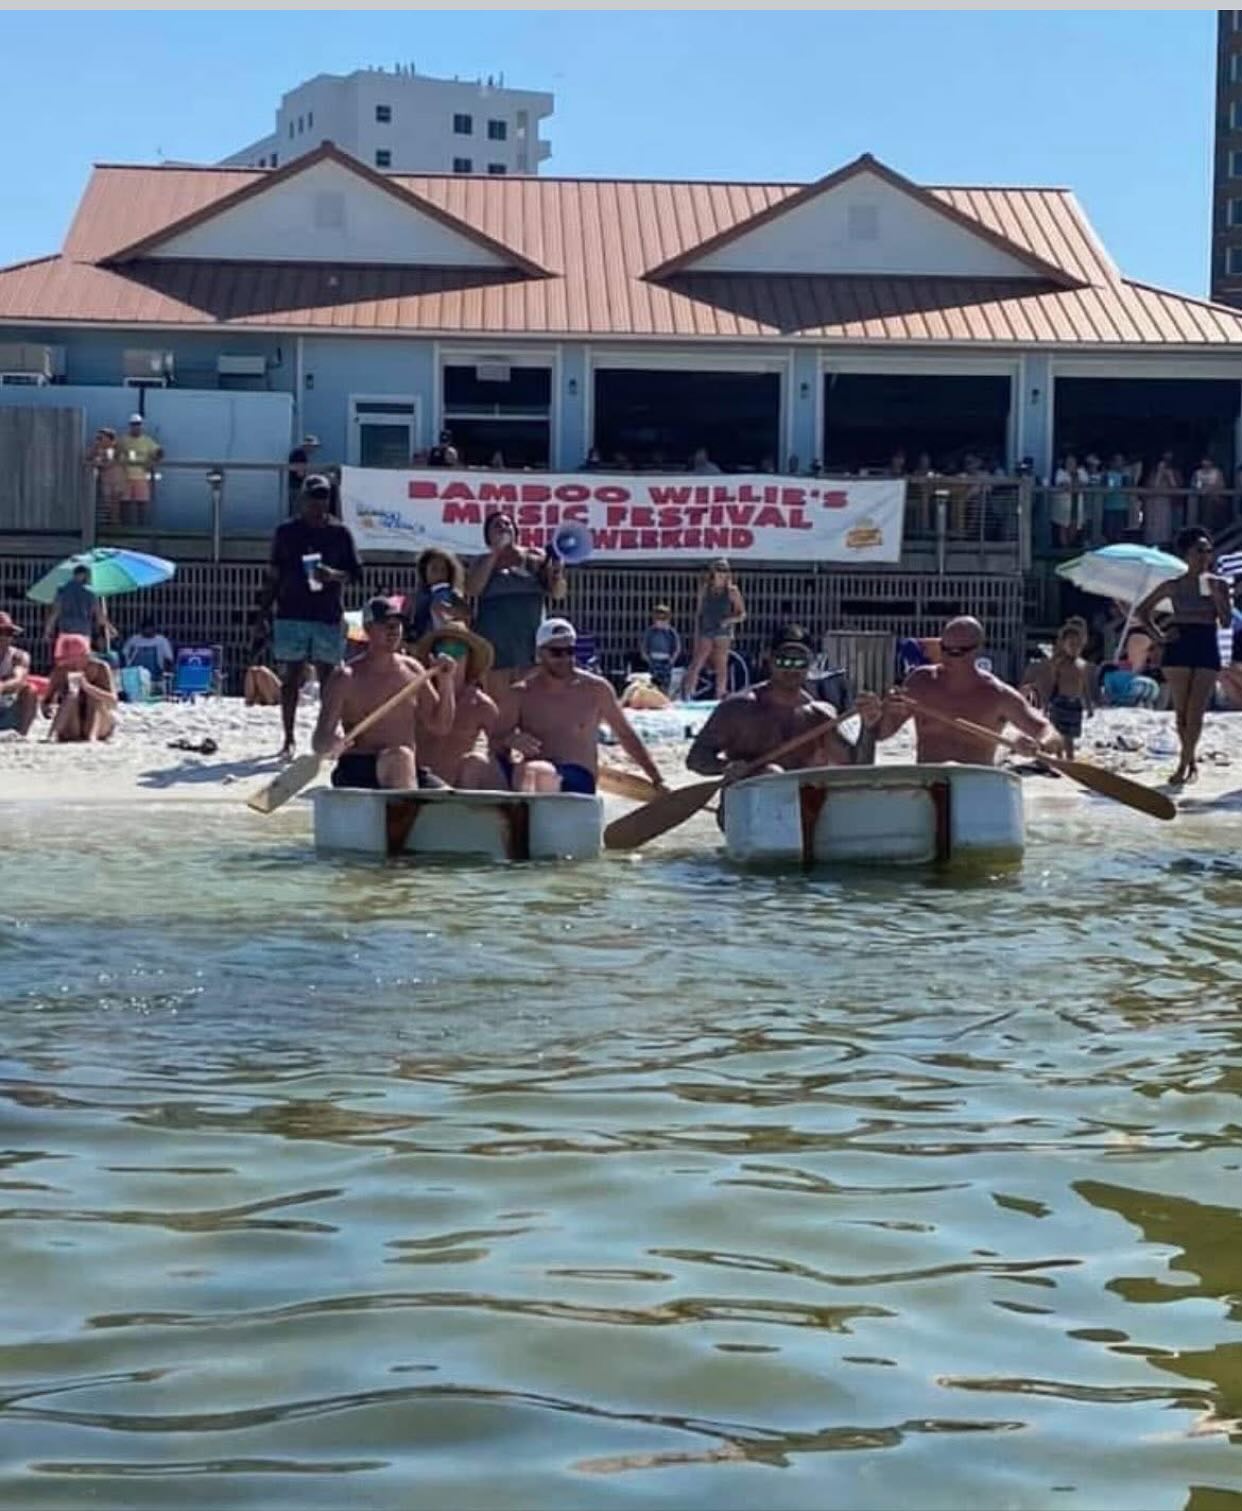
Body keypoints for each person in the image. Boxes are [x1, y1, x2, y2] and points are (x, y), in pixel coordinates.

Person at [857, 616, 1063, 766]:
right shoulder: (920, 683)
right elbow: (882, 734)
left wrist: (1037, 744)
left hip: (974, 784)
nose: (947, 657)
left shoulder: (997, 695)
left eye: (957, 652)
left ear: (977, 650)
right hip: (929, 781)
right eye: (944, 649)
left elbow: (1050, 733)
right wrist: (873, 718)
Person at [493, 617, 665, 795]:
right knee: (476, 765)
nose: (566, 658)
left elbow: (625, 734)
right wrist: (510, 739)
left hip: (577, 777)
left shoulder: (596, 689)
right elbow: (495, 741)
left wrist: (657, 779)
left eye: (571, 651)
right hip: (533, 775)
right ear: (539, 654)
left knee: (538, 772)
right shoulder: (521, 694)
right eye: (557, 652)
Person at [264, 474, 362, 759]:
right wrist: (261, 615)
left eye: (323, 499)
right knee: (290, 678)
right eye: (313, 499)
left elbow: (356, 573)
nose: (318, 505)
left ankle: (328, 735)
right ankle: (289, 738)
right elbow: (273, 575)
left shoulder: (340, 533)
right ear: (302, 499)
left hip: (326, 614)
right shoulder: (286, 532)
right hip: (290, 612)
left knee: (330, 681)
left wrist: (334, 575)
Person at [312, 596, 456, 790]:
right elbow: (320, 737)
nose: (393, 629)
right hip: (360, 768)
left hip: (406, 767)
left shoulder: (413, 669)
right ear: (368, 629)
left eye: (397, 624)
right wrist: (330, 742)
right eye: (385, 624)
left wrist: (446, 683)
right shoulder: (346, 678)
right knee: (399, 757)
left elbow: (441, 726)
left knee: (445, 794)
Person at [687, 636, 869, 785]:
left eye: (799, 663)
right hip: (746, 803)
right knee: (770, 773)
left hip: (800, 808)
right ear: (770, 661)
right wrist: (726, 766)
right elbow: (696, 759)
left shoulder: (820, 715)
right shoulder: (738, 709)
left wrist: (869, 727)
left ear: (810, 665)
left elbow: (857, 768)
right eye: (784, 661)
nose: (791, 669)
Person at [1132, 526, 1233, 786]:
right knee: (1181, 711)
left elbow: (1226, 621)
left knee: (1196, 709)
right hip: (1179, 642)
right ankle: (1189, 761)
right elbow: (1144, 611)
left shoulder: (1218, 583)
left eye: (1208, 551)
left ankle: (1182, 764)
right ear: (1187, 554)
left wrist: (1220, 598)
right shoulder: (1173, 586)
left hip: (1206, 641)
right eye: (1199, 551)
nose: (1204, 556)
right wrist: (1159, 637)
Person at [466, 511, 566, 723]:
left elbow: (557, 592)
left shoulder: (533, 559)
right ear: (487, 536)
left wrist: (556, 571)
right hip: (496, 644)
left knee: (532, 706)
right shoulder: (482, 562)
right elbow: (473, 589)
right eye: (497, 526)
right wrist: (495, 553)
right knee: (500, 708)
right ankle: (498, 751)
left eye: (507, 524)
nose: (503, 527)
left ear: (516, 531)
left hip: (529, 644)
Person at [411, 621, 501, 787]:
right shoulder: (418, 697)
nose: (449, 657)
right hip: (420, 789)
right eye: (443, 650)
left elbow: (498, 747)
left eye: (457, 651)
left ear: (469, 658)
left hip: (462, 794)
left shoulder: (482, 705)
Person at [1025, 619, 1093, 759]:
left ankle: (1070, 758)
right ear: (1064, 645)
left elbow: (1085, 686)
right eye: (1071, 645)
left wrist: (1089, 706)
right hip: (1060, 702)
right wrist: (1046, 703)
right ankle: (1060, 758)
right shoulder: (1059, 664)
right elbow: (1052, 684)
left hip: (1076, 704)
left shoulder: (1083, 665)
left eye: (1078, 645)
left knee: (1071, 735)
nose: (1075, 648)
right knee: (1059, 733)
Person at [680, 560, 746, 701]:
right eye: (719, 570)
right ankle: (688, 693)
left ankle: (720, 695)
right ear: (713, 573)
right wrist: (696, 634)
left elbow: (742, 614)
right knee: (697, 661)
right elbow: (699, 613)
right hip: (706, 629)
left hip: (722, 631)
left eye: (724, 571)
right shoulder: (705, 589)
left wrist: (728, 620)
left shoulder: (732, 591)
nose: (721, 574)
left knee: (721, 664)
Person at [40, 633, 117, 743]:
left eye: (74, 660)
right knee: (71, 696)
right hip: (72, 724)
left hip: (100, 722)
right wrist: (48, 708)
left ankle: (91, 736)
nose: (71, 665)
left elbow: (113, 701)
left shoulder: (101, 668)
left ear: (85, 656)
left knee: (94, 697)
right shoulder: (60, 671)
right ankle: (52, 734)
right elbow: (46, 701)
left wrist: (87, 686)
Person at [44, 564, 108, 649]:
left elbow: (56, 611)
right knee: (81, 659)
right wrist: (109, 629)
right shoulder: (90, 593)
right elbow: (99, 616)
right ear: (83, 575)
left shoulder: (62, 590)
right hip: (83, 632)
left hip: (66, 631)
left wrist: (48, 630)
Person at [407, 548, 466, 640]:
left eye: (443, 570)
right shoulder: (417, 597)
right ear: (424, 572)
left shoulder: (454, 595)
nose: (439, 574)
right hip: (423, 641)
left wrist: (448, 610)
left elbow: (465, 617)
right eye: (434, 569)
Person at [118, 414, 163, 527]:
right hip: (125, 477)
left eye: (138, 424)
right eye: (134, 424)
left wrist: (155, 459)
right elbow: (115, 453)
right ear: (130, 426)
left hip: (141, 476)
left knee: (142, 503)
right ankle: (125, 527)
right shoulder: (123, 440)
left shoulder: (147, 441)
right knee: (125, 503)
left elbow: (158, 452)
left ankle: (141, 528)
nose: (136, 427)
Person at [0, 611, 37, 737]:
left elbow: (19, 679)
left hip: (9, 707)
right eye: (1, 632)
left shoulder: (19, 656)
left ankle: (21, 734)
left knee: (30, 690)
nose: (4, 637)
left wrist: (2, 687)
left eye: (8, 633)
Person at [86, 427, 127, 526]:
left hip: (116, 479)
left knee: (115, 503)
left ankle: (115, 524)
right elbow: (88, 457)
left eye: (102, 438)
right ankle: (110, 524)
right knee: (107, 503)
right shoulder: (98, 449)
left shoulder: (115, 449)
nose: (99, 440)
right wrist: (95, 447)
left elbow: (111, 462)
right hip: (106, 480)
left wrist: (101, 463)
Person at [639, 604, 681, 693]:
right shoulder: (650, 632)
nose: (660, 622)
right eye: (658, 619)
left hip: (666, 660)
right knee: (653, 682)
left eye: (663, 619)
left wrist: (672, 660)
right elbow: (644, 645)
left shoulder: (671, 632)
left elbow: (677, 647)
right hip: (653, 660)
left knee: (666, 682)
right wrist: (647, 658)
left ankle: (665, 696)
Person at [1143, 452, 1181, 547]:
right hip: (1154, 503)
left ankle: (1164, 544)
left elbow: (1175, 487)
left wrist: (1169, 476)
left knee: (1164, 527)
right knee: (1153, 526)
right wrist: (1159, 474)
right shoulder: (1152, 474)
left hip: (1166, 502)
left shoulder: (1174, 472)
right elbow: (1153, 486)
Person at [122, 619, 175, 686]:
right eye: (146, 629)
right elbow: (124, 654)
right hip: (135, 674)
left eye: (150, 628)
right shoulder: (134, 640)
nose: (148, 631)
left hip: (156, 675)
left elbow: (169, 658)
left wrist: (167, 672)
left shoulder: (161, 640)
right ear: (141, 629)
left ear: (154, 629)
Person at [1191, 455, 1228, 535]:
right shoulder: (1198, 473)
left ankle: (1213, 527)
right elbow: (1195, 485)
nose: (1206, 463)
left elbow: (1222, 485)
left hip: (1215, 498)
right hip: (1201, 499)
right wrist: (1201, 488)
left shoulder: (1217, 472)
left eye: (1208, 461)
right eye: (1204, 461)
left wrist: (1212, 488)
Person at [287, 434, 319, 514]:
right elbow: (300, 473)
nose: (314, 449)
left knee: (296, 510)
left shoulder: (298, 453)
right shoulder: (300, 454)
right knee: (298, 511)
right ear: (307, 446)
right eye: (313, 446)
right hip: (297, 487)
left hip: (295, 486)